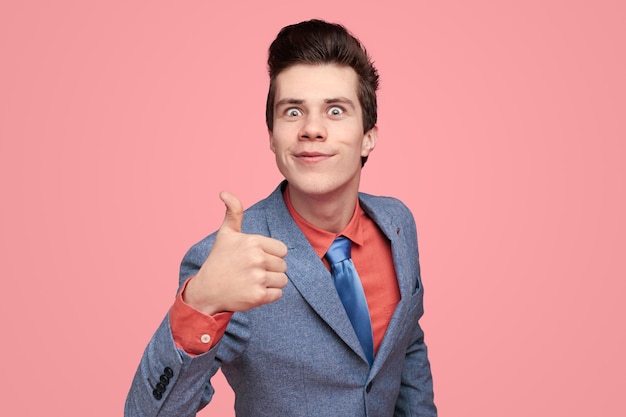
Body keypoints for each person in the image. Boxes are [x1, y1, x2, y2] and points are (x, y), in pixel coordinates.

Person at [125, 19, 437, 417]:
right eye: (293, 111)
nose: (311, 129)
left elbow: (407, 345)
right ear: (273, 136)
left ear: (369, 136)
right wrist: (202, 302)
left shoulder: (398, 223)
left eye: (336, 110)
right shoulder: (229, 261)